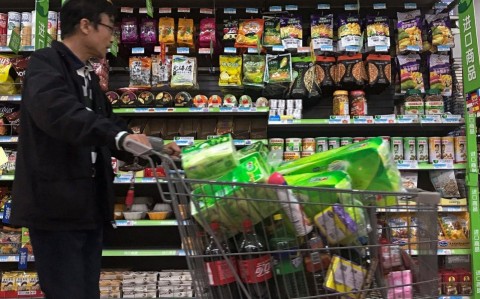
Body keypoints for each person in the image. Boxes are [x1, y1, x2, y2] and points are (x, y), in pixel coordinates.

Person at [10, 1, 180, 298]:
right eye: (110, 28)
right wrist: (119, 137)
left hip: (87, 206)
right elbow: (61, 115)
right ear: (86, 25)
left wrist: (155, 149)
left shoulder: (87, 75)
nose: (112, 37)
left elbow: (106, 123)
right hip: (56, 207)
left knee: (86, 291)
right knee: (68, 292)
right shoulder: (45, 64)